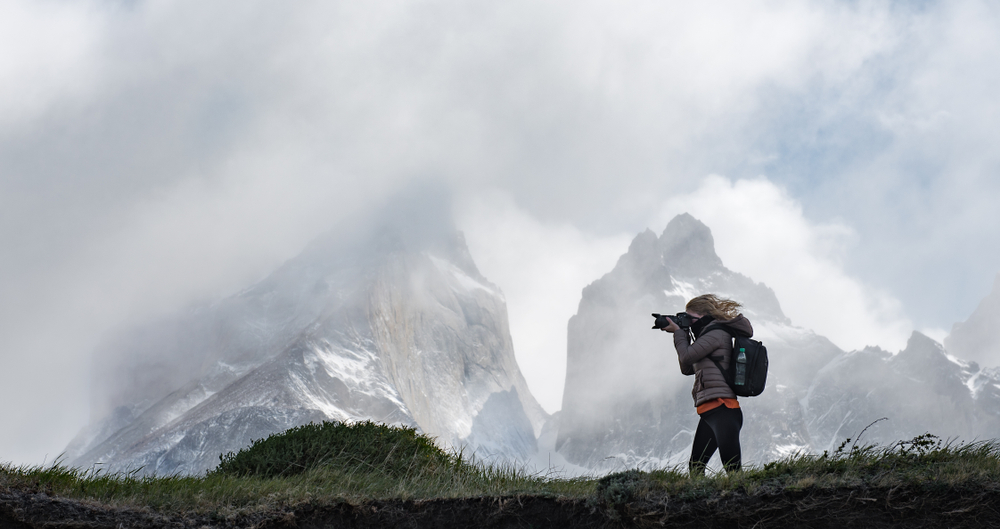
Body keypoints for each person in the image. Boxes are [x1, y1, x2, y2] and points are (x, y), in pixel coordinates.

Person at [660, 294, 753, 476]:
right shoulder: (705, 335)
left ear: (703, 316)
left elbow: (686, 355)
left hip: (723, 409)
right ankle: (702, 503)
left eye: (690, 318)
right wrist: (683, 333)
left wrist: (679, 332)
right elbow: (687, 368)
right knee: (696, 467)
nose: (688, 322)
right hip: (710, 411)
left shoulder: (716, 333)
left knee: (733, 469)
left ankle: (747, 500)